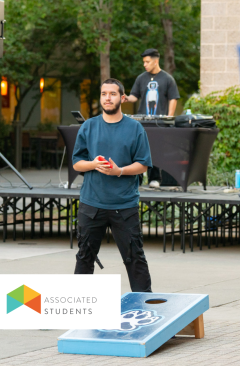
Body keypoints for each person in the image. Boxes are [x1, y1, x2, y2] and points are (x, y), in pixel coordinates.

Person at [72, 78, 153, 293]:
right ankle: (79, 310)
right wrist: (93, 164)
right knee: (84, 258)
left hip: (124, 206)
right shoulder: (89, 126)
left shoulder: (135, 128)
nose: (108, 98)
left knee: (135, 258)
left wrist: (120, 171)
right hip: (92, 205)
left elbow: (143, 164)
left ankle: (145, 309)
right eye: (104, 94)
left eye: (113, 94)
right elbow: (77, 162)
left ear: (122, 98)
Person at [125, 48, 181, 188]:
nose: (145, 64)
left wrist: (169, 117)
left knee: (155, 150)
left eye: (147, 62)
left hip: (158, 123)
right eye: (144, 62)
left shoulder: (167, 78)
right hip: (142, 122)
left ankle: (154, 179)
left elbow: (173, 98)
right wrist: (125, 98)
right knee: (137, 150)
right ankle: (136, 180)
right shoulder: (141, 78)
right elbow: (134, 96)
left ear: (156, 61)